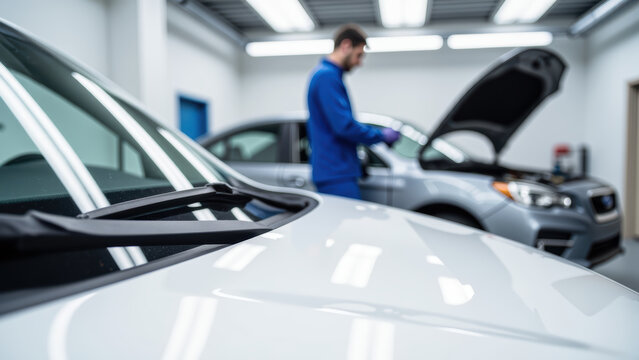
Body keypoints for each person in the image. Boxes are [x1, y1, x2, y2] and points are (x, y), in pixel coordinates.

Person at [306, 24, 400, 200]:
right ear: (346, 45)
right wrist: (381, 136)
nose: (359, 62)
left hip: (335, 171)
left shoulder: (327, 75)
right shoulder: (327, 77)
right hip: (336, 174)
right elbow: (344, 126)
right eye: (359, 55)